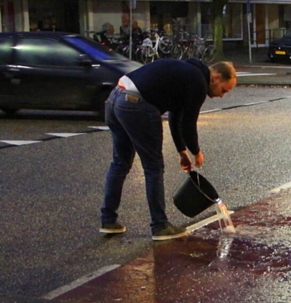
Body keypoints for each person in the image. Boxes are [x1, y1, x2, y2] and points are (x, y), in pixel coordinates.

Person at [100, 58, 237, 240]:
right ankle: (160, 226)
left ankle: (108, 220)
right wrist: (196, 151)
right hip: (137, 104)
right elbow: (188, 124)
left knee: (120, 163)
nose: (222, 95)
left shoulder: (187, 72)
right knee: (153, 167)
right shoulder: (198, 83)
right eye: (223, 90)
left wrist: (182, 152)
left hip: (115, 98)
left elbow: (175, 118)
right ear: (216, 78)